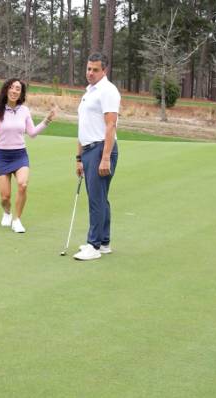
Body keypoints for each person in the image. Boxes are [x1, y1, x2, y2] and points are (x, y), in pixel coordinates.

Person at [0, 78, 56, 233]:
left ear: (21, 93)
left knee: (23, 185)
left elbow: (31, 133)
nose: (14, 90)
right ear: (6, 90)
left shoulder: (24, 111)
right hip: (3, 156)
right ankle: (7, 212)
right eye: (11, 87)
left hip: (20, 155)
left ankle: (17, 220)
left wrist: (47, 120)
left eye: (17, 88)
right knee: (5, 198)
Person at [73, 53, 121, 261]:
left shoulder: (108, 91)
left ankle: (93, 245)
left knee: (96, 199)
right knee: (100, 197)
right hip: (89, 149)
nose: (90, 73)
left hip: (102, 149)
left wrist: (105, 157)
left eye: (95, 70)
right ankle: (104, 242)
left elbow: (110, 124)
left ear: (105, 71)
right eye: (88, 69)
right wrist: (78, 157)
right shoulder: (89, 91)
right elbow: (83, 125)